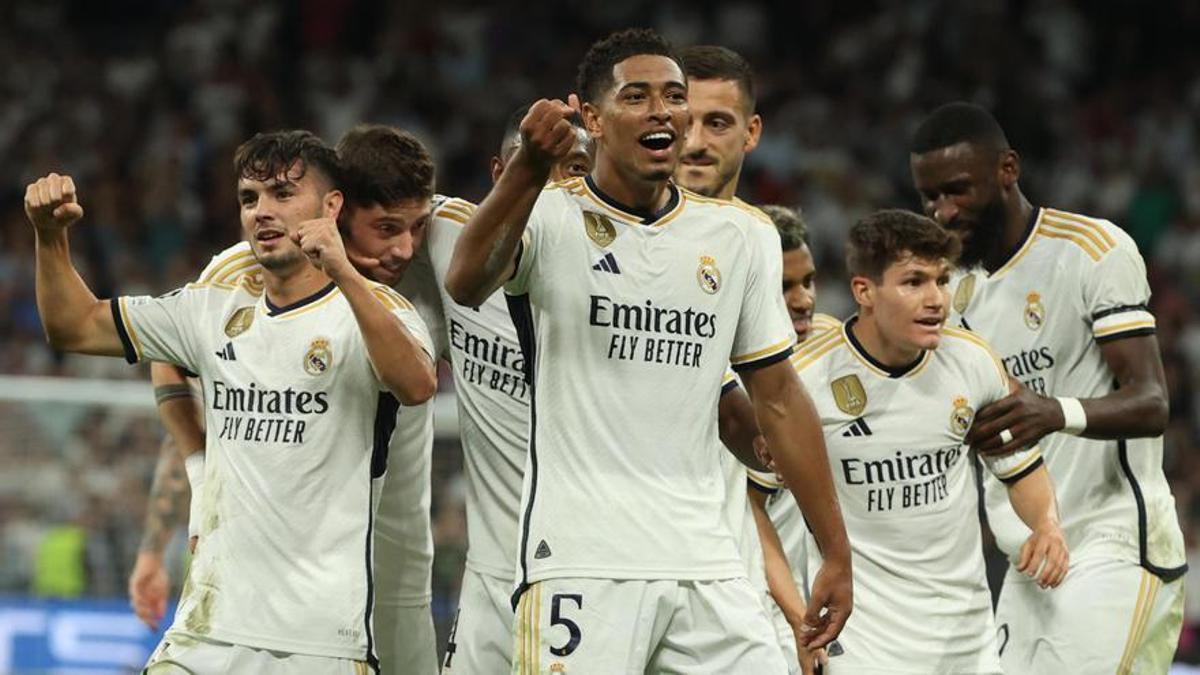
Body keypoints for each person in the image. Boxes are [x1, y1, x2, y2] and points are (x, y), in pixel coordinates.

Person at [445, 28, 851, 673]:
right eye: (637, 96)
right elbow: (465, 282)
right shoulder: (549, 215)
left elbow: (776, 396)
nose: (662, 111)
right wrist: (526, 164)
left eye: (674, 96)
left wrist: (835, 552)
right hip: (581, 561)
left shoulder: (742, 235)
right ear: (592, 118)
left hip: (707, 561)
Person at [25, 129, 437, 672]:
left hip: (317, 641)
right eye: (250, 198)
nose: (263, 211)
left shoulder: (380, 312)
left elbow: (416, 385)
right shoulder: (214, 302)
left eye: (283, 195)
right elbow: (75, 326)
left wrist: (339, 269)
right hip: (207, 630)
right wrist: (50, 238)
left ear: (332, 206)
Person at [157, 124, 447, 675]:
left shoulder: (431, 272)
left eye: (416, 228)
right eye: (385, 228)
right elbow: (165, 349)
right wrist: (199, 482)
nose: (403, 248)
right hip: (296, 586)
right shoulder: (247, 269)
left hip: (401, 563)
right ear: (334, 215)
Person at [910, 101, 1187, 673]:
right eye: (930, 197)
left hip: (1114, 550)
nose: (943, 211)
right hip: (1027, 561)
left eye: (958, 190)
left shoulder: (1091, 250)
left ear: (1007, 170)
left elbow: (1152, 401)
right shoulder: (952, 291)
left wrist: (1053, 412)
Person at [794, 208, 1067, 672]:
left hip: (966, 638)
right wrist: (794, 621)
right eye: (913, 282)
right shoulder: (807, 378)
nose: (936, 299)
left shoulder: (974, 361)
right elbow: (756, 503)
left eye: (942, 280)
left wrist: (1046, 523)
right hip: (863, 639)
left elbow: (1019, 465)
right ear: (864, 291)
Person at [672, 44, 819, 675]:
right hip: (603, 562)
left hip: (734, 586)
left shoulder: (758, 251)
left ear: (752, 132)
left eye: (718, 122)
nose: (696, 142)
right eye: (685, 121)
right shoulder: (599, 240)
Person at [429, 110, 591, 674]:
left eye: (575, 170)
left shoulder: (617, 282)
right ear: (503, 171)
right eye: (541, 169)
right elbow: (373, 204)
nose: (560, 187)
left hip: (588, 574)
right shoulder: (445, 236)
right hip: (489, 577)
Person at [742, 204, 841, 674]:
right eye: (784, 287)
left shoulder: (831, 347)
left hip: (805, 603)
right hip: (743, 604)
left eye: (808, 281)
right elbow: (749, 509)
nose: (803, 300)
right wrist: (798, 619)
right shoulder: (727, 375)